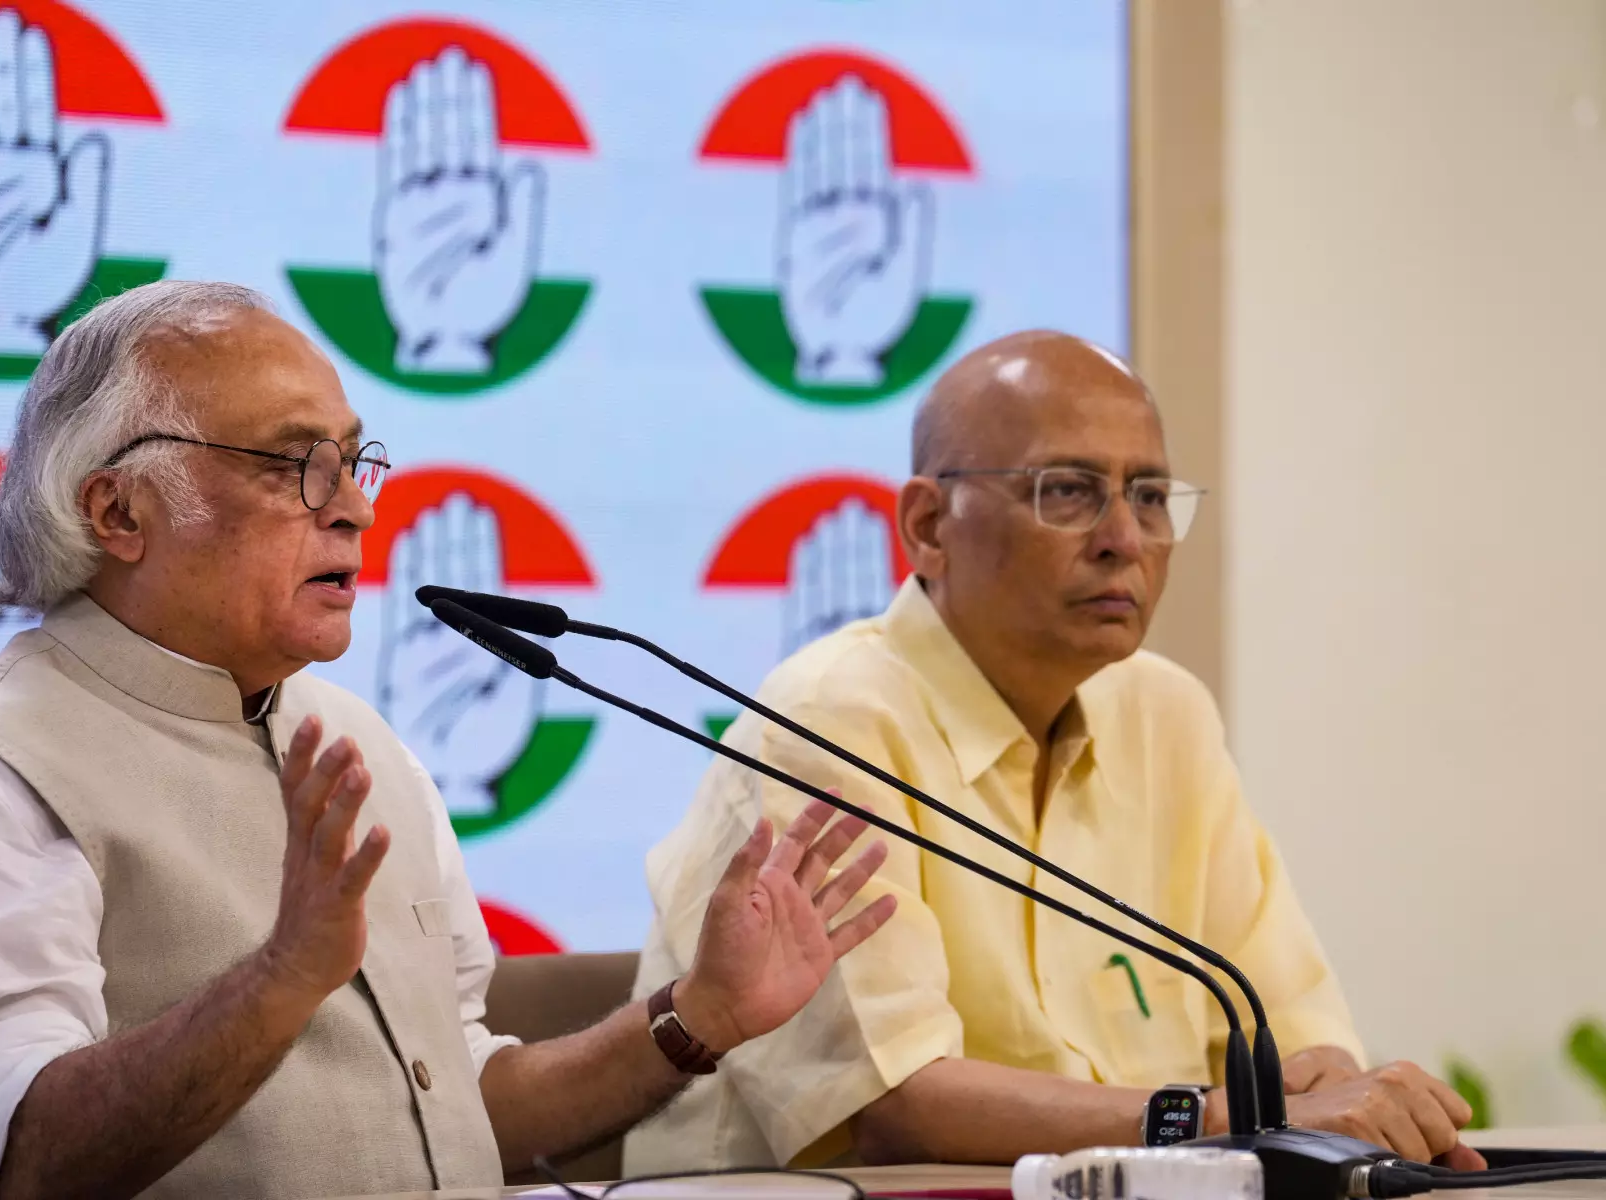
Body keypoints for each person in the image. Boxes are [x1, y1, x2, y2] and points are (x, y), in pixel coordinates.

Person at [0, 282, 898, 1200]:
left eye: (352, 461)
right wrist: (279, 980)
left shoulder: (356, 743)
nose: (356, 512)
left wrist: (697, 1016)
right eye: (291, 465)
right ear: (119, 513)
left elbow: (459, 1107)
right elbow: (8, 1164)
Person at [627, 331, 1484, 1173]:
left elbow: (1289, 1039)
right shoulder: (827, 722)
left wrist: (1335, 1092)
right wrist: (1219, 1119)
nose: (1126, 538)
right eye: (1070, 492)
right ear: (929, 525)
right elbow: (891, 1104)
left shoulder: (1166, 714)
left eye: (1150, 496)